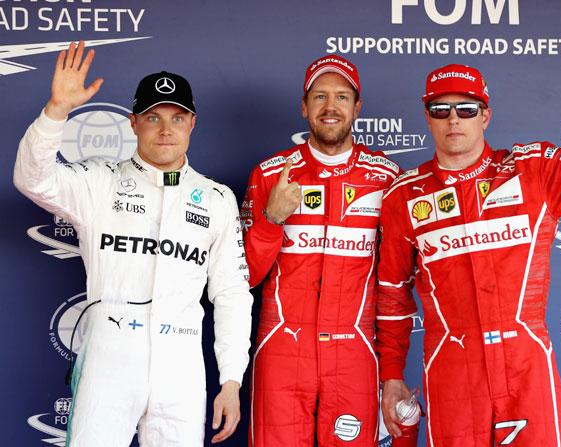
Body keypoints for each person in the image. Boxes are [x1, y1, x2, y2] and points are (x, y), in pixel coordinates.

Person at [376, 6, 561, 447]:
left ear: (485, 116)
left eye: (466, 109)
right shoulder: (403, 196)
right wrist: (391, 374)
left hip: (527, 364)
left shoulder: (532, 172)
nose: (453, 120)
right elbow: (391, 295)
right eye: (440, 108)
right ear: (426, 115)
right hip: (452, 370)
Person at [13, 41, 253, 446]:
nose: (165, 130)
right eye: (153, 117)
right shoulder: (99, 181)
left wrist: (231, 379)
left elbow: (231, 293)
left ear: (192, 123)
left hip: (181, 364)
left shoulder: (215, 199)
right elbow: (32, 179)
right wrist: (56, 112)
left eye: (177, 118)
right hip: (109, 358)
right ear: (133, 123)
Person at [241, 54, 401, 446]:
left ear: (357, 107)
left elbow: (395, 283)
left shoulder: (387, 178)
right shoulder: (271, 174)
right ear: (304, 106)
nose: (331, 107)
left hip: (354, 350)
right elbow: (245, 276)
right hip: (281, 347)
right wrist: (271, 220)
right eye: (320, 97)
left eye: (342, 97)